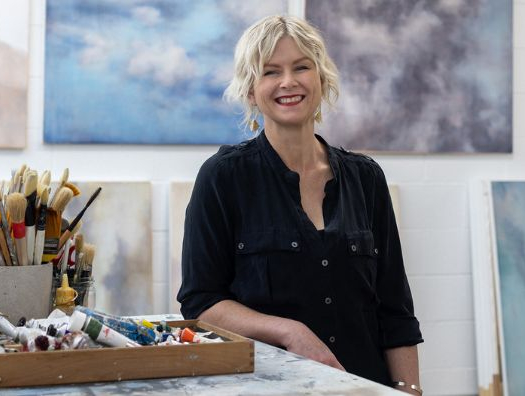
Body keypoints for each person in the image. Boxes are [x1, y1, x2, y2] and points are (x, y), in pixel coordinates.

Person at [177, 15, 423, 394]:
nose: (288, 82)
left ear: (321, 79)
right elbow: (201, 303)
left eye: (301, 67)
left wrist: (409, 390)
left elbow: (395, 310)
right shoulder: (222, 178)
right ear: (250, 90)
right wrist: (290, 332)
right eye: (270, 71)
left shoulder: (367, 178)